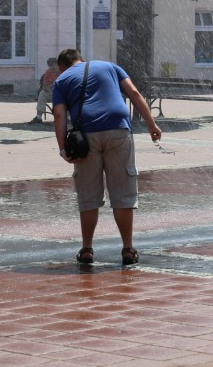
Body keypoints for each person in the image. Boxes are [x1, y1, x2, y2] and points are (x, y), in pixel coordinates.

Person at [52, 49, 162, 266]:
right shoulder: (110, 66)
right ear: (81, 59)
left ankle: (86, 250)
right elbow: (134, 93)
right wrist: (151, 124)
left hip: (86, 137)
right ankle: (128, 249)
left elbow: (58, 115)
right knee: (122, 191)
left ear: (62, 67)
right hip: (118, 130)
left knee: (89, 194)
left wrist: (63, 148)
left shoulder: (62, 80)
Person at [29, 57, 59, 124]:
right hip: (51, 92)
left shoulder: (63, 72)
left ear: (57, 64)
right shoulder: (48, 72)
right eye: (50, 66)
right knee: (42, 93)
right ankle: (38, 117)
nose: (51, 68)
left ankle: (63, 117)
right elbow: (44, 84)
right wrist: (46, 88)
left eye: (53, 66)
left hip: (61, 92)